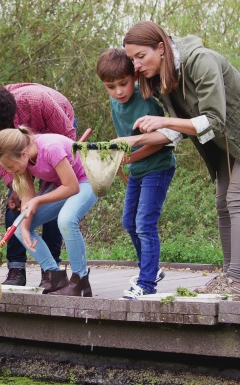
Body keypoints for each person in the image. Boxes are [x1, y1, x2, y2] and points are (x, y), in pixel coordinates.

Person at [121, 21, 240, 301]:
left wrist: (163, 120)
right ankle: (227, 277)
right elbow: (176, 133)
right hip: (225, 143)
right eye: (131, 59)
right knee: (222, 203)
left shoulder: (201, 61)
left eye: (141, 56)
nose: (136, 65)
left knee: (237, 200)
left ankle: (235, 282)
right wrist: (135, 142)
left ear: (161, 48)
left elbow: (214, 120)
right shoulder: (164, 78)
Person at [0, 82, 77, 287]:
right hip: (17, 156)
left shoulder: (35, 101)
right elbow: (1, 161)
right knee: (16, 205)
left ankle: (51, 270)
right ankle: (16, 268)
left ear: (7, 121)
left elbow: (68, 141)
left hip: (56, 140)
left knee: (51, 202)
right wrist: (16, 188)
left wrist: (47, 186)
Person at [97, 47, 181, 299]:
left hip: (158, 167)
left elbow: (161, 140)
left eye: (123, 84)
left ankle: (146, 283)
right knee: (128, 222)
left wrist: (130, 156)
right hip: (137, 170)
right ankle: (150, 269)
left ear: (134, 76)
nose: (118, 91)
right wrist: (122, 159)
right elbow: (125, 137)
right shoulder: (115, 102)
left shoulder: (145, 100)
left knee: (145, 224)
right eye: (111, 87)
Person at [0, 127, 97, 297]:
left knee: (66, 220)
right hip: (63, 186)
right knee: (18, 228)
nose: (9, 172)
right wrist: (25, 228)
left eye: (10, 166)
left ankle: (80, 282)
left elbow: (72, 187)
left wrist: (38, 200)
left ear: (23, 154)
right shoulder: (24, 161)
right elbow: (28, 197)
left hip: (86, 181)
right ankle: (55, 276)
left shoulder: (50, 148)